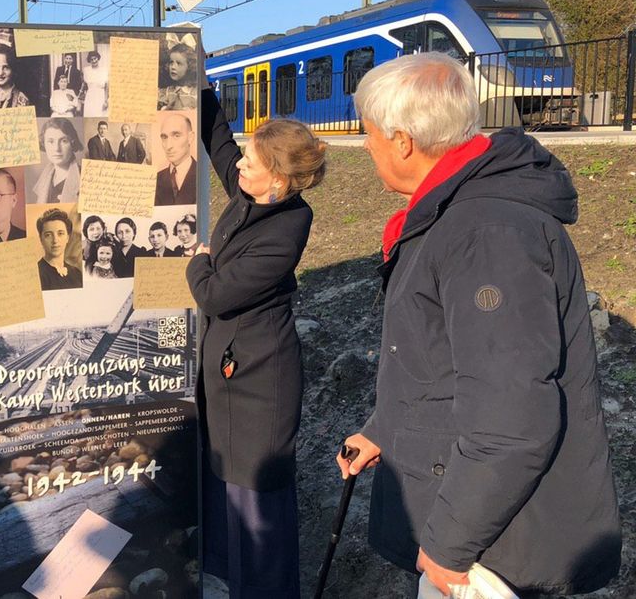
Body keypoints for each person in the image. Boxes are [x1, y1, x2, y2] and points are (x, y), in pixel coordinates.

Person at [336, 52, 620, 598]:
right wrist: (384, 428)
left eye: (368, 133)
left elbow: (513, 416)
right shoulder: (457, 211)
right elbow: (438, 358)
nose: (365, 145)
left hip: (495, 542)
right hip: (470, 500)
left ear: (401, 140)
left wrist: (449, 545)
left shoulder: (485, 232)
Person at [187, 68, 326, 597]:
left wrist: (199, 262)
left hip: (259, 384)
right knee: (227, 487)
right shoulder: (249, 194)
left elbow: (217, 294)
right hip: (230, 376)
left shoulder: (288, 227)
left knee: (257, 498)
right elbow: (219, 140)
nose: (238, 163)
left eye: (252, 160)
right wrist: (197, 80)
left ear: (280, 178)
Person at [30, 118, 83, 204]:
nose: (57, 149)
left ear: (73, 143)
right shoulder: (45, 178)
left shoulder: (84, 178)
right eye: (51, 141)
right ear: (44, 144)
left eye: (64, 141)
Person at [154, 113, 197, 206]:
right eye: (164, 137)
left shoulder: (203, 176)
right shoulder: (155, 180)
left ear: (190, 138)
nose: (168, 146)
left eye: (176, 136)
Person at [36, 207, 82, 290]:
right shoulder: (37, 274)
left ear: (68, 237)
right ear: (41, 239)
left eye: (60, 233)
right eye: (48, 235)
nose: (55, 240)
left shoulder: (77, 274)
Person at [158, 40, 198, 111]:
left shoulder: (195, 93)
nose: (173, 67)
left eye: (178, 63)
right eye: (171, 62)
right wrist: (167, 108)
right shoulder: (167, 92)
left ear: (190, 66)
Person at [81, 50, 108, 118]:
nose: (94, 61)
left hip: (100, 96)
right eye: (91, 59)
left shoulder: (104, 70)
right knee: (90, 115)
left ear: (98, 58)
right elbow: (84, 85)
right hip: (90, 97)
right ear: (89, 61)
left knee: (101, 115)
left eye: (95, 58)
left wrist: (106, 101)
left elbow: (106, 87)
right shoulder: (86, 70)